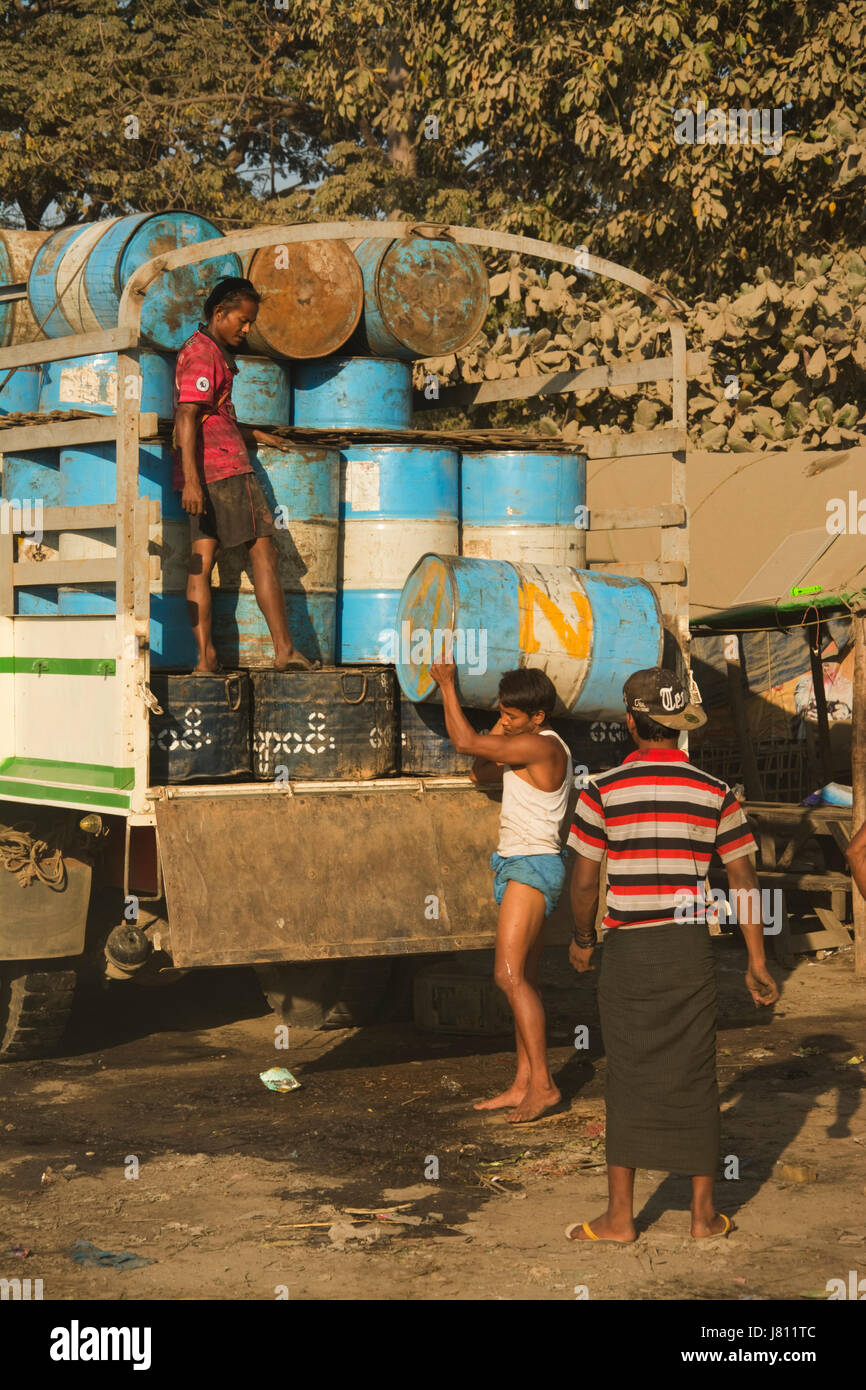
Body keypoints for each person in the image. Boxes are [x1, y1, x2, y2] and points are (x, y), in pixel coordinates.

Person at [565, 666, 780, 1243]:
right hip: (689, 951)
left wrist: (583, 939)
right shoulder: (715, 793)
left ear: (631, 723)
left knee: (628, 1075)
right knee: (694, 1072)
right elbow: (742, 881)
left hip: (630, 951)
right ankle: (703, 1217)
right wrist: (757, 961)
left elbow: (584, 883)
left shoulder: (601, 791)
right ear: (680, 725)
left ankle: (619, 1219)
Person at [428, 659, 572, 1122]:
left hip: (532, 866)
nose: (504, 722)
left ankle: (545, 1086)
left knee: (507, 977)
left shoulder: (540, 746)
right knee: (522, 980)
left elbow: (465, 742)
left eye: (511, 715)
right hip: (519, 864)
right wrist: (502, 726)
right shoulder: (525, 748)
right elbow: (479, 771)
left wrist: (448, 686)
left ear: (538, 718)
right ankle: (523, 1083)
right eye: (502, 713)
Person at [173, 276, 315, 674]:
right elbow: (187, 415)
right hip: (225, 472)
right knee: (263, 552)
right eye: (243, 320)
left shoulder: (201, 350)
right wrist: (194, 480)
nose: (247, 328)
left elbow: (210, 414)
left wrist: (253, 433)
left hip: (208, 471)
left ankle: (205, 659)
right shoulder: (204, 354)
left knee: (202, 561)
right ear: (219, 314)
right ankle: (284, 648)